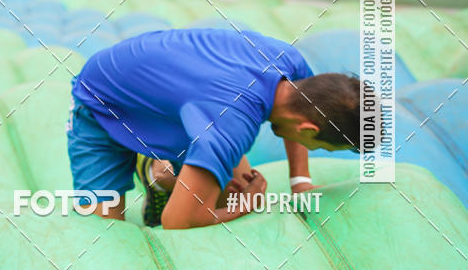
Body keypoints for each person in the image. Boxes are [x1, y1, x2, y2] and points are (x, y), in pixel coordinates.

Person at [67, 29, 363, 229]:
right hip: (99, 99)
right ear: (308, 129)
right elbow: (177, 222)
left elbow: (305, 112)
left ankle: (163, 176)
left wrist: (300, 181)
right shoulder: (230, 124)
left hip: (174, 98)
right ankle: (160, 169)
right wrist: (244, 207)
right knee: (104, 234)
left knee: (224, 194)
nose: (315, 150)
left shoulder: (293, 68)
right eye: (321, 146)